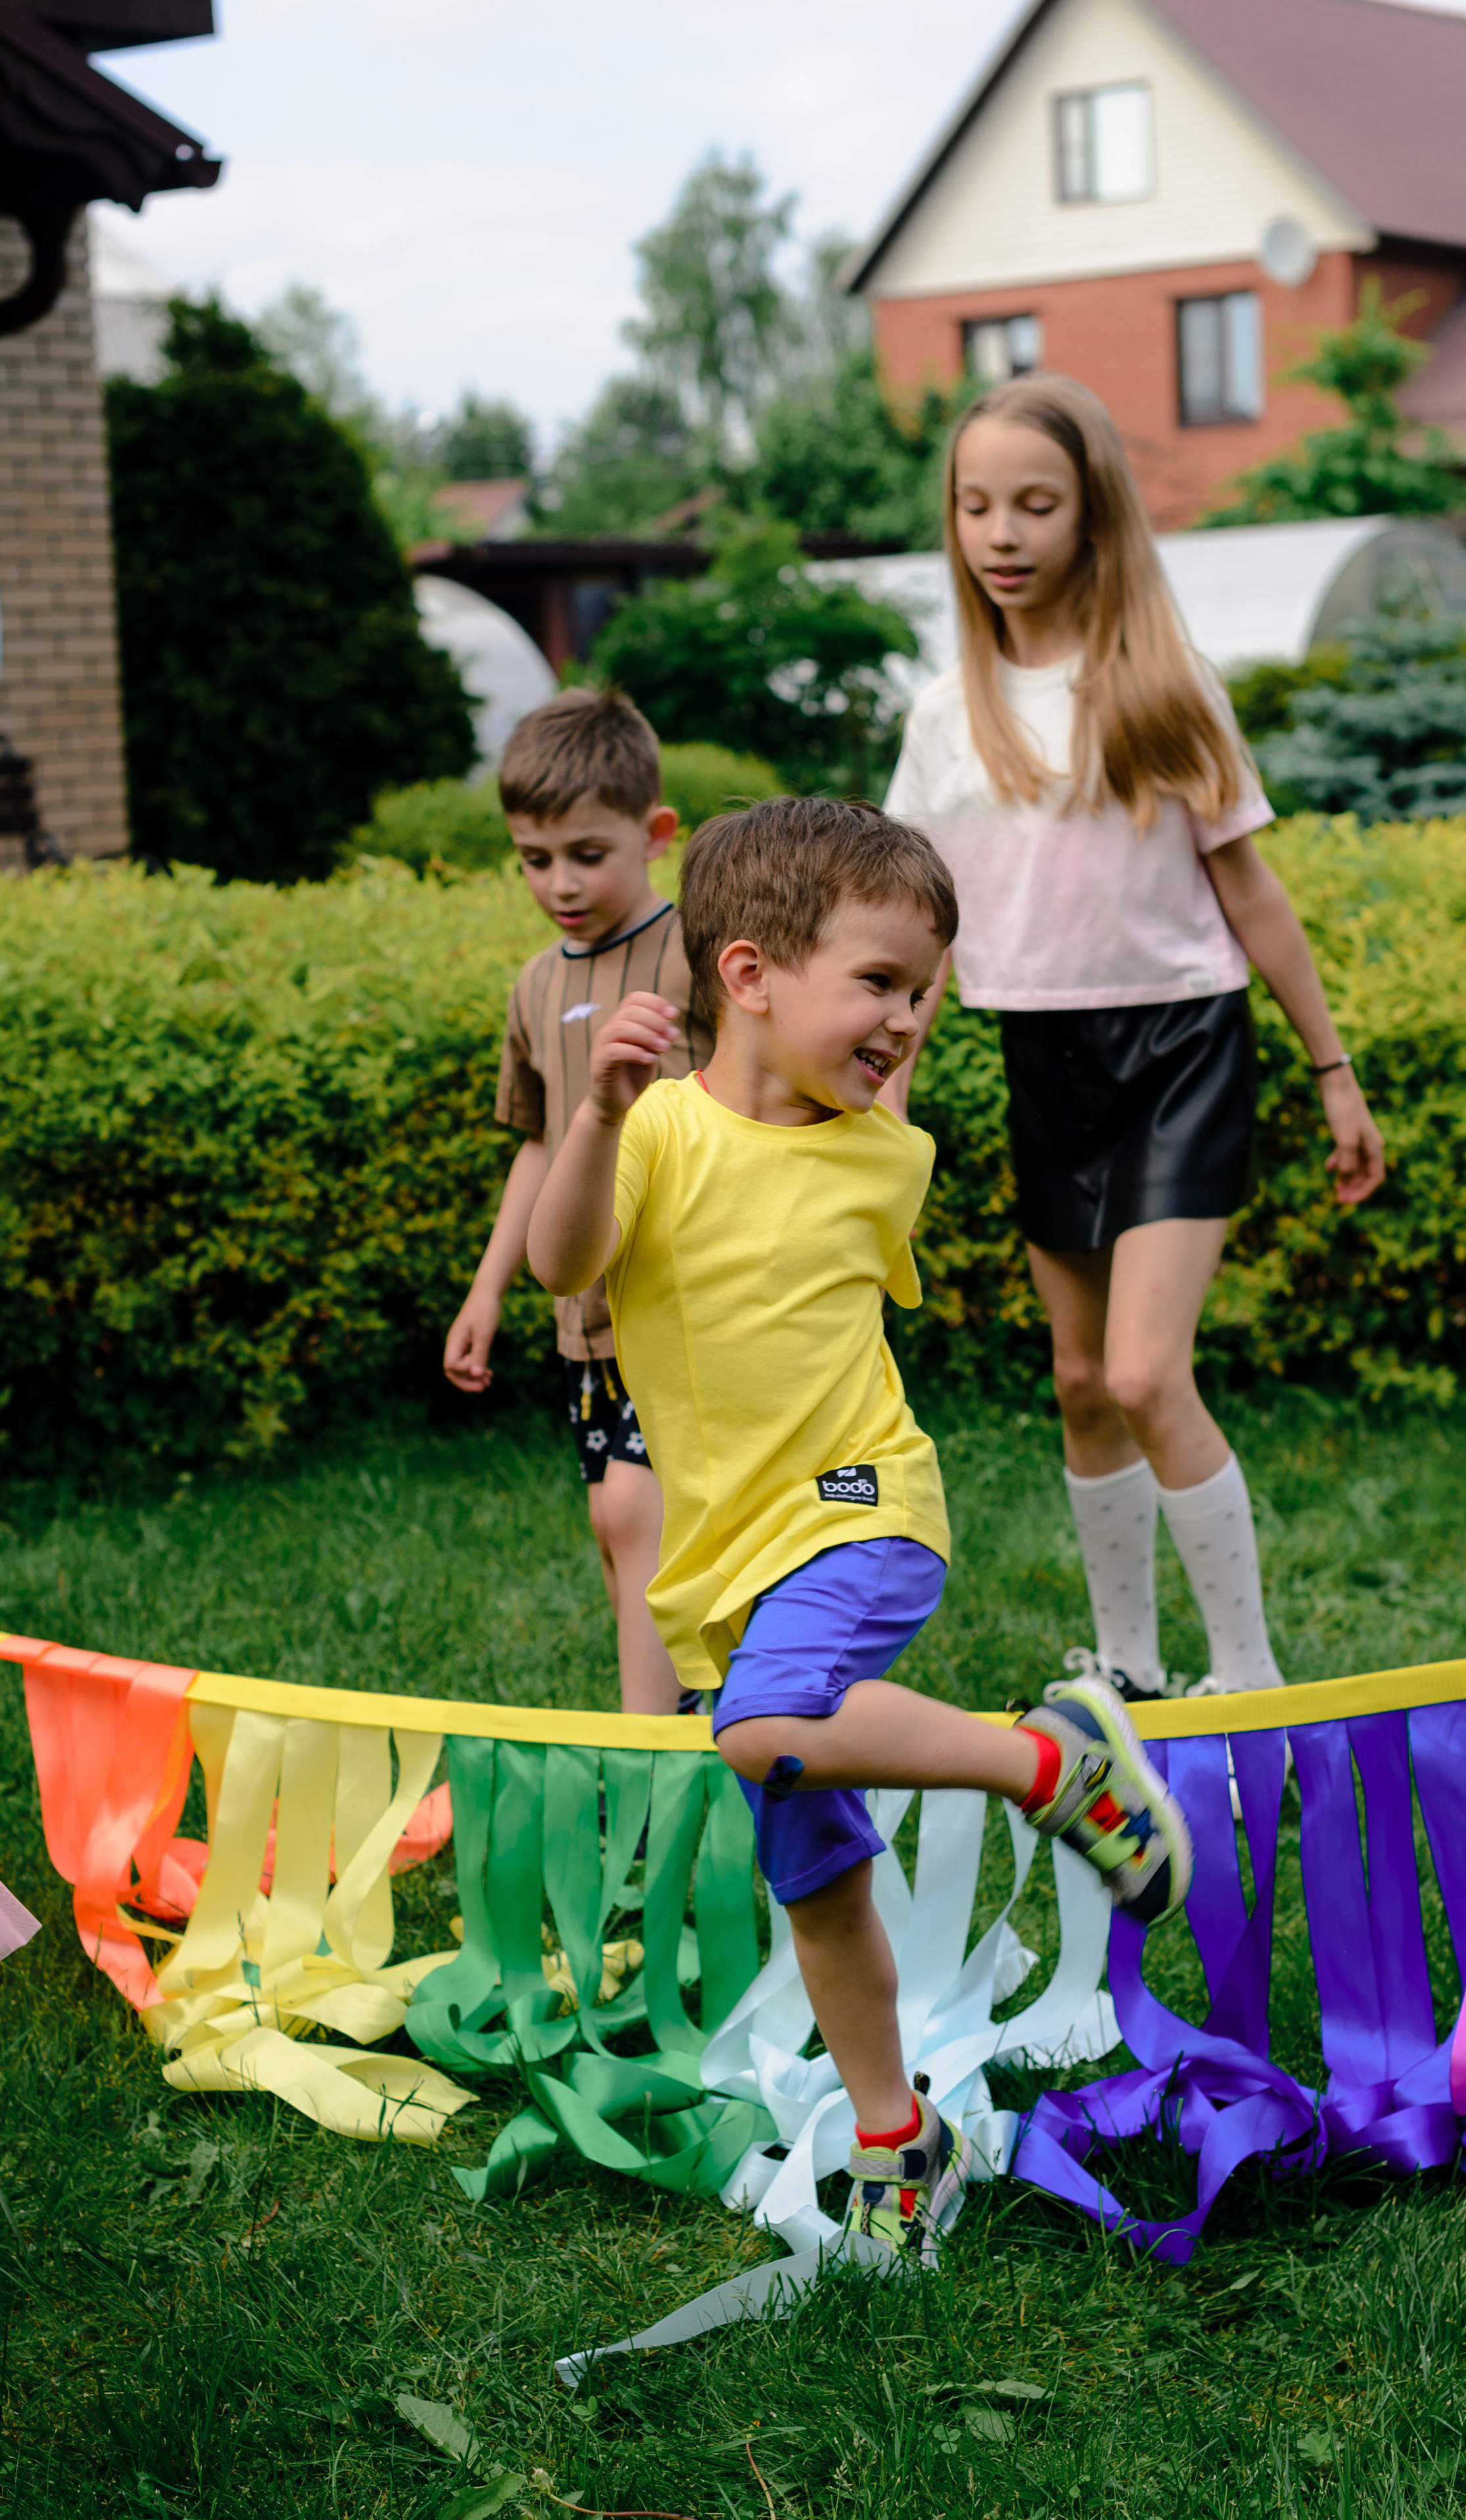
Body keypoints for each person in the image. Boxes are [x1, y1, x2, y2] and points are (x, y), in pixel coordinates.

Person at [526, 795, 1193, 2264]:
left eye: (925, 989)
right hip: (723, 1567)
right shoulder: (652, 1135)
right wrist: (592, 1115)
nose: (911, 1018)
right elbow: (560, 1264)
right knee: (817, 1883)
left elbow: (832, 1145)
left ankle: (1048, 1760)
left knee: (767, 1730)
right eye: (881, 983)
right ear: (750, 976)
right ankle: (901, 2135)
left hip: (860, 1514)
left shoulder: (885, 1156)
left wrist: (844, 1066)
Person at [882, 375, 1385, 1703]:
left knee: (1144, 1369)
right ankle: (1127, 1668)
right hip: (1040, 1059)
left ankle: (1248, 1676)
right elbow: (914, 933)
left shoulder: (1163, 687)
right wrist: (887, 1090)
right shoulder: (946, 714)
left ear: (1091, 516)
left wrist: (1331, 1072)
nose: (1000, 533)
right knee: (1077, 1380)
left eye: (1033, 505)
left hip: (1180, 1049)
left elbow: (1249, 894)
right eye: (976, 505)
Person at [444, 688, 713, 1714]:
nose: (559, 882)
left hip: (682, 1308)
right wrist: (486, 1290)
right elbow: (544, 1146)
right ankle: (689, 1719)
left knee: (640, 1516)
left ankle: (643, 1765)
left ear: (654, 835)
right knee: (617, 1528)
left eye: (587, 854)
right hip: (584, 1322)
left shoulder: (699, 953)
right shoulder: (533, 985)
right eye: (534, 857)